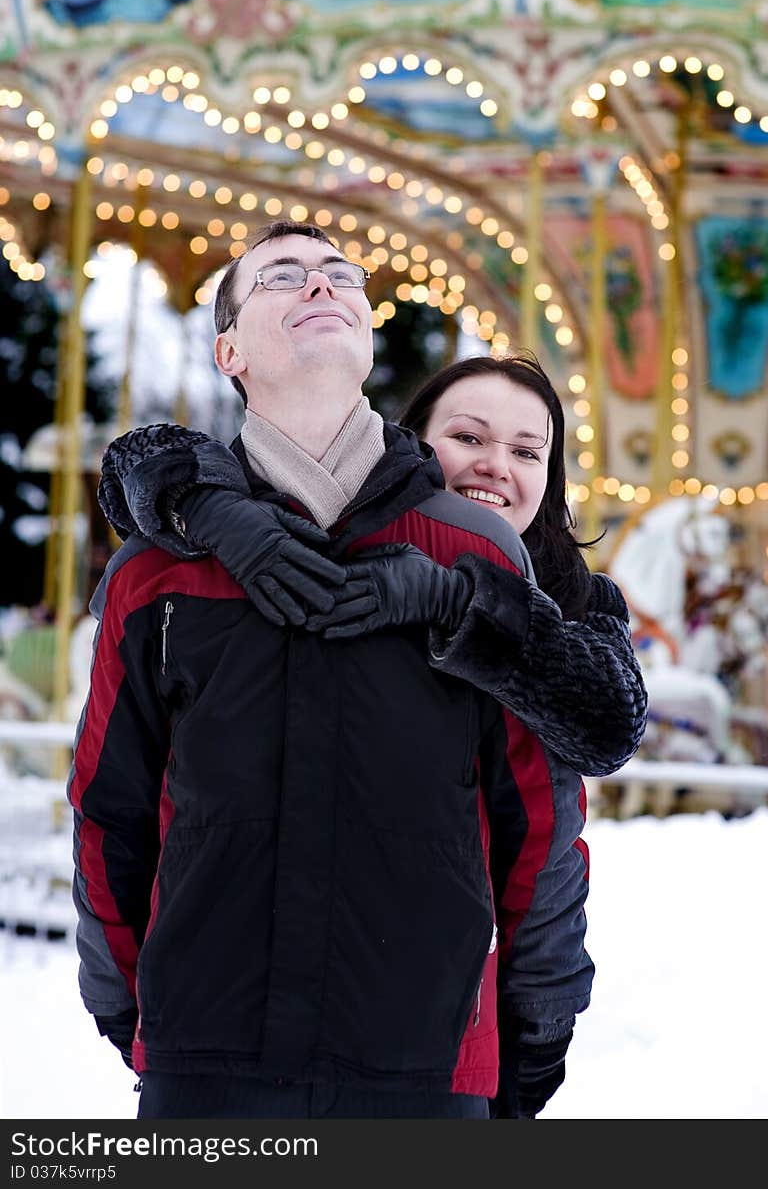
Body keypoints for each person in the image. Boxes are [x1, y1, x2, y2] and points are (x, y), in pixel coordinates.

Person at [70, 220, 596, 1120]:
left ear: (365, 327)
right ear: (229, 349)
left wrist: (536, 1023)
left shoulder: (473, 557)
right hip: (207, 1060)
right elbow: (108, 810)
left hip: (426, 1066)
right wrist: (136, 1008)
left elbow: (538, 824)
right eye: (281, 276)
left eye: (340, 273)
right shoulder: (159, 573)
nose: (320, 285)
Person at [98, 364, 647, 780]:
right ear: (413, 444)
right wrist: (203, 503)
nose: (496, 466)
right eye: (468, 438)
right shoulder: (349, 535)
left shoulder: (578, 597)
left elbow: (611, 730)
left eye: (527, 453)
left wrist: (458, 602)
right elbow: (133, 458)